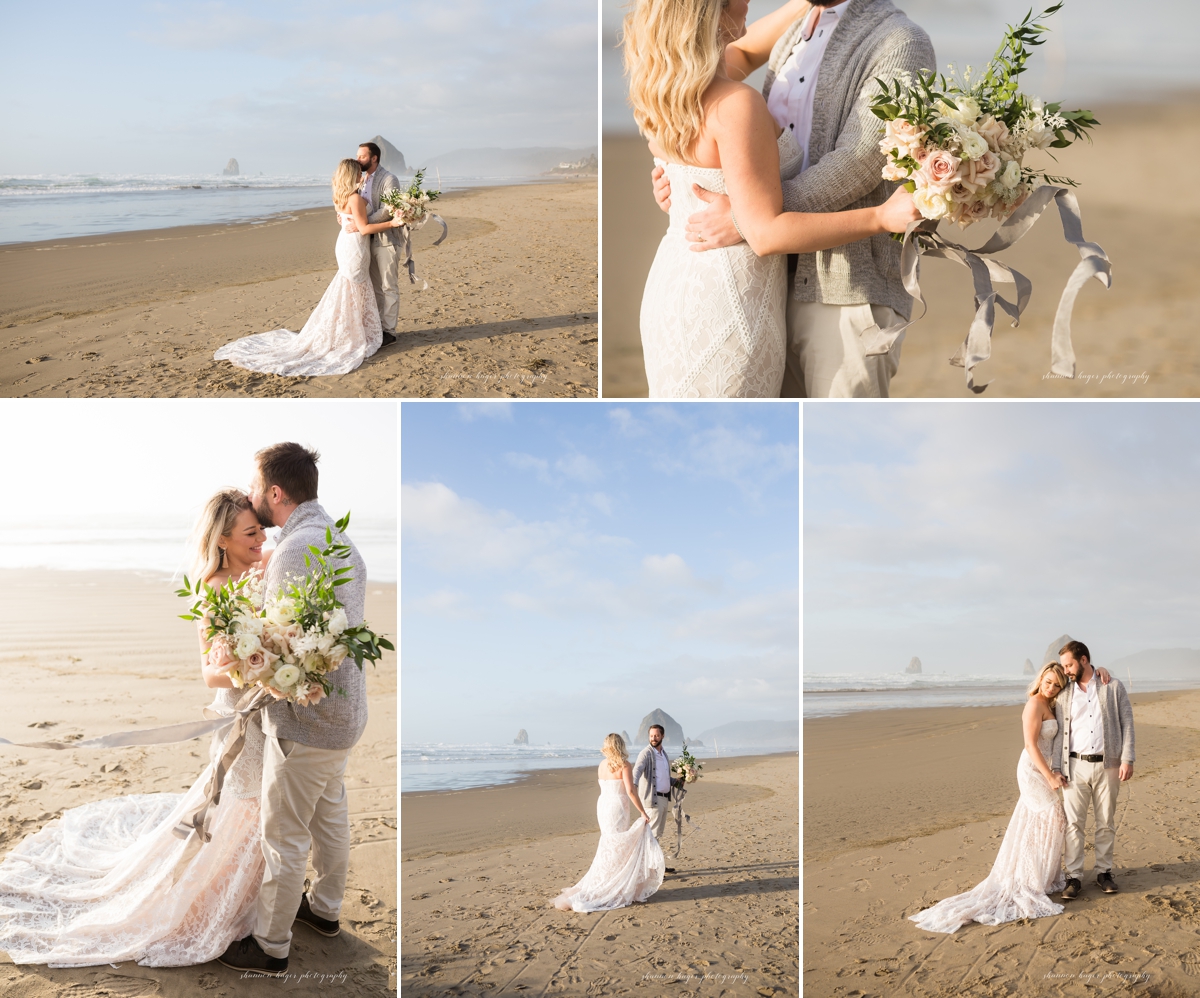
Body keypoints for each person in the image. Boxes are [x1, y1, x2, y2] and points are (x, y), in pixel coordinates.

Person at [0, 490, 270, 966]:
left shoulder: (268, 569)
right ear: (224, 538)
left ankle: (268, 896)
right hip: (238, 707)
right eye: (251, 532)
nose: (261, 537)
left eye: (261, 529)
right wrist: (259, 667)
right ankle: (226, 903)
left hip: (272, 707)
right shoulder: (213, 586)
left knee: (265, 804)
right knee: (243, 802)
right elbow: (209, 671)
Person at [651, 0, 936, 398]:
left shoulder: (900, 41)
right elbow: (706, 75)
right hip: (765, 284)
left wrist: (747, 218)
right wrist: (685, 178)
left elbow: (860, 161)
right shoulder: (793, 32)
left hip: (846, 289)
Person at [218, 442, 369, 976]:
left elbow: (287, 644)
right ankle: (324, 911)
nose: (253, 496)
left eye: (257, 488)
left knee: (283, 836)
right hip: (346, 718)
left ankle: (270, 946)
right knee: (330, 818)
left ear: (275, 493)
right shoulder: (340, 539)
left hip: (307, 721)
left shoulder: (296, 549)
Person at [908, 663, 1070, 933]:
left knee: (1040, 821)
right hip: (1032, 770)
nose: (1051, 687)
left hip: (1045, 768)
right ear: (1041, 678)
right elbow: (1030, 745)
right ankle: (1029, 881)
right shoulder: (1034, 704)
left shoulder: (1051, 704)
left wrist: (1055, 771)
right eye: (1048, 681)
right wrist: (1050, 776)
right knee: (1054, 818)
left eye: (1056, 684)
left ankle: (1040, 878)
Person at [213, 159, 404, 376]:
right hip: (356, 247)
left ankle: (348, 330)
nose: (363, 176)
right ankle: (349, 334)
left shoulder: (340, 196)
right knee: (353, 288)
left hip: (345, 244)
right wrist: (393, 223)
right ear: (353, 175)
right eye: (359, 173)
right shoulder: (356, 198)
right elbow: (364, 227)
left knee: (349, 288)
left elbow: (347, 221)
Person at [1051, 640, 1135, 901]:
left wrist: (1127, 759)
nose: (1066, 671)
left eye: (1069, 664)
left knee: (1105, 822)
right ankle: (1074, 876)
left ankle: (1104, 872)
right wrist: (1056, 766)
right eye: (1064, 666)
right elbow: (1058, 733)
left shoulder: (1112, 686)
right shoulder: (1064, 692)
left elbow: (1127, 723)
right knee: (1074, 824)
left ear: (1084, 660)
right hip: (1074, 766)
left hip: (1108, 764)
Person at [552, 734, 665, 912]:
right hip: (617, 807)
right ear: (621, 745)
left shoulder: (602, 765)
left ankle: (610, 878)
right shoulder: (624, 765)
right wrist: (642, 812)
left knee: (610, 842)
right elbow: (630, 790)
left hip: (604, 805)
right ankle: (614, 883)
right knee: (618, 844)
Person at [631, 725, 681, 873]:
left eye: (656, 736)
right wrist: (633, 786)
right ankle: (652, 870)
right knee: (652, 836)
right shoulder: (646, 753)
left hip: (664, 799)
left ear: (662, 736)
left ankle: (657, 866)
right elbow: (637, 771)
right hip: (653, 801)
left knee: (657, 835)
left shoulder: (663, 754)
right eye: (651, 736)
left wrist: (679, 781)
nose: (653, 738)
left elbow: (664, 778)